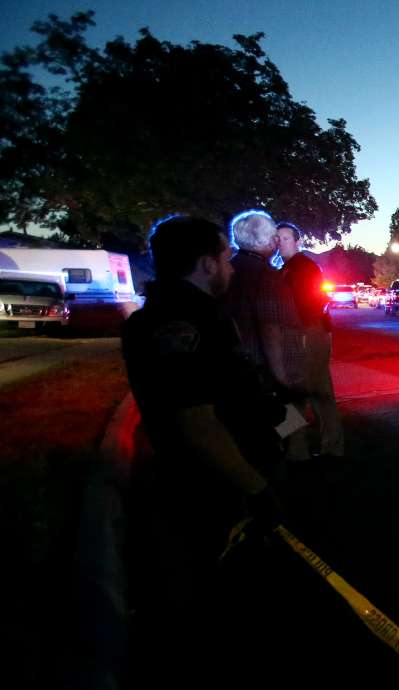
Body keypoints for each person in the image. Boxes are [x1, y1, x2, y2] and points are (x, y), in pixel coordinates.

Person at [121, 216, 286, 687]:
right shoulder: (181, 325)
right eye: (226, 258)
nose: (231, 268)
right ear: (205, 264)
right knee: (227, 600)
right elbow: (195, 422)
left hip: (224, 474)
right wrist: (256, 489)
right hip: (217, 490)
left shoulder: (179, 315)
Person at [226, 209, 307, 460]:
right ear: (262, 241)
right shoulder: (267, 276)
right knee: (285, 419)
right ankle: (286, 458)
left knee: (247, 434)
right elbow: (270, 327)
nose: (276, 241)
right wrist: (282, 377)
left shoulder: (229, 270)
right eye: (273, 237)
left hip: (238, 368)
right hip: (267, 371)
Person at [276, 221, 344, 459]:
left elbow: (310, 304)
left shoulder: (303, 268)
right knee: (318, 392)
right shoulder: (285, 268)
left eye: (285, 238)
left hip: (308, 333)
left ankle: (296, 449)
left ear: (298, 242)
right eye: (278, 238)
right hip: (308, 333)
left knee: (297, 392)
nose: (280, 243)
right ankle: (329, 446)